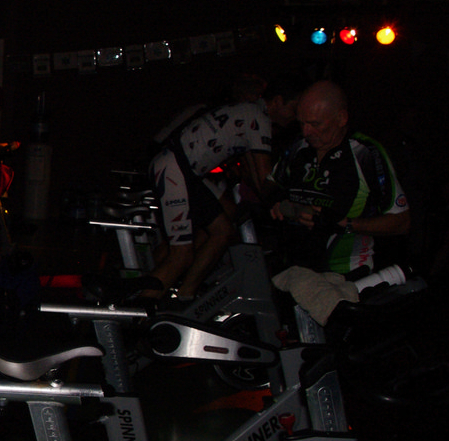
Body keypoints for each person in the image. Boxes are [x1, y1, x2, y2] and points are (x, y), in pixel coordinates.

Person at [145, 78, 299, 299]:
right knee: (182, 255)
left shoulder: (250, 111)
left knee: (224, 227)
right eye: (293, 109)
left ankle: (184, 294)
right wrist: (283, 201)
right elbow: (265, 177)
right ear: (277, 101)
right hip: (176, 168)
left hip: (185, 170)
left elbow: (255, 177)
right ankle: (141, 308)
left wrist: (269, 200)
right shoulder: (259, 118)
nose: (296, 117)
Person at [268, 80, 410, 274]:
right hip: (293, 270)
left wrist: (343, 224)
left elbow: (401, 222)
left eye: (315, 124)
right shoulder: (298, 147)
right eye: (301, 123)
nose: (306, 131)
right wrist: (277, 200)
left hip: (345, 274)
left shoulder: (365, 153)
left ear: (341, 118)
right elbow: (270, 183)